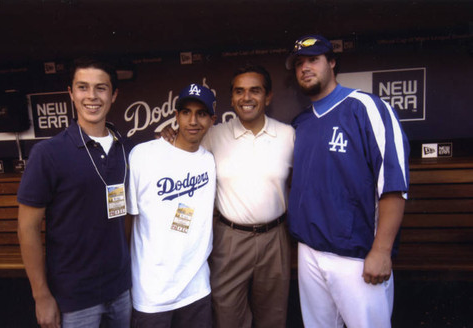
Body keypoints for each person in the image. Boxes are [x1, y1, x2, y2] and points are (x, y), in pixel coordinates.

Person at [285, 34, 410, 328]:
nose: (305, 68)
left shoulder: (366, 107)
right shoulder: (300, 123)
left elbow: (394, 184)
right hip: (309, 251)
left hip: (357, 255)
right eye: (299, 63)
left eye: (313, 60)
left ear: (332, 62)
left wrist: (381, 251)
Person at [162, 64, 295, 328]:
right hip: (229, 238)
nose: (246, 98)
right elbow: (181, 147)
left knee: (273, 316)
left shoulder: (288, 135)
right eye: (239, 91)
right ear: (232, 98)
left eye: (254, 91)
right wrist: (169, 135)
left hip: (275, 238)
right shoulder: (214, 134)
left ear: (268, 97)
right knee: (226, 317)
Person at [17, 57, 132, 328]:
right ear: (70, 92)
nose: (91, 96)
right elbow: (27, 228)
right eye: (82, 87)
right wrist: (41, 295)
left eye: (101, 88)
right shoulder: (48, 153)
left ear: (114, 94)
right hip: (74, 297)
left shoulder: (128, 149)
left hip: (121, 290)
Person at [127, 83, 217, 328]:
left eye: (201, 113)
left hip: (196, 287)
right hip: (153, 291)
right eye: (186, 112)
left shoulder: (210, 160)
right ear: (175, 116)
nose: (193, 120)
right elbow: (127, 219)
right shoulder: (143, 155)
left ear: (211, 120)